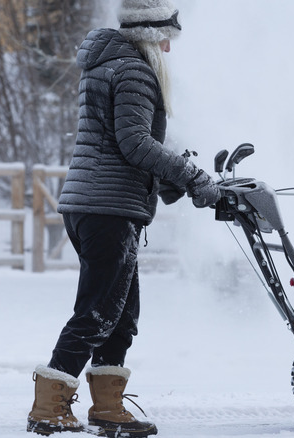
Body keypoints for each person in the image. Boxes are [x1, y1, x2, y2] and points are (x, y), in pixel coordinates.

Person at [27, 0, 220, 436]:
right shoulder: (132, 70)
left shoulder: (108, 64)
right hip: (106, 208)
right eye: (166, 37)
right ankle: (48, 405)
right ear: (150, 35)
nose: (169, 47)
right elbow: (134, 144)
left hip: (96, 204)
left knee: (120, 313)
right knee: (99, 310)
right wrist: (190, 175)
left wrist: (174, 182)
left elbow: (121, 145)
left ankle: (107, 408)